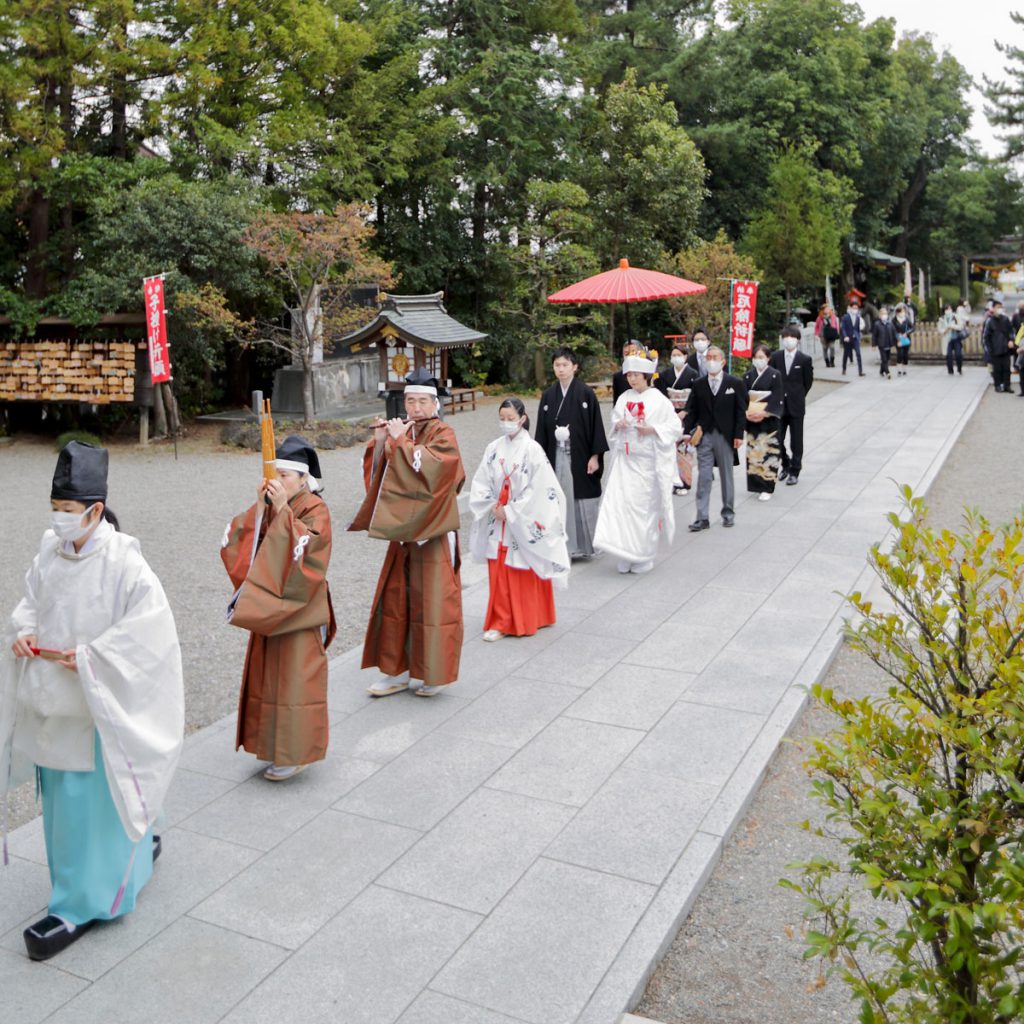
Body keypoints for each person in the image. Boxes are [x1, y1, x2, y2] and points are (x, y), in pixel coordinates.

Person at [1, 441, 183, 961]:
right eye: (55, 510)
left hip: (96, 706)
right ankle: (130, 853)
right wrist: (23, 631)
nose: (59, 520)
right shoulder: (49, 551)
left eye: (68, 511)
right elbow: (29, 602)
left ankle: (81, 904)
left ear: (95, 510)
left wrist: (92, 657)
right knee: (63, 808)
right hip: (53, 700)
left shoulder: (125, 562)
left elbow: (151, 634)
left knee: (90, 809)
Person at [221, 435, 335, 781]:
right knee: (268, 674)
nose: (278, 481)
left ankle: (296, 751)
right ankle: (269, 744)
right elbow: (242, 539)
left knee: (295, 679)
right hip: (273, 600)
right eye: (275, 474)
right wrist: (260, 509)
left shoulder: (316, 508)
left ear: (304, 479)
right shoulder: (273, 504)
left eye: (286, 475)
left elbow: (311, 550)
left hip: (301, 603)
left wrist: (283, 510)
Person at [350, 368, 466, 696]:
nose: (414, 407)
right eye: (409, 401)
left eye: (421, 401)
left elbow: (439, 472)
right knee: (396, 601)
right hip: (403, 532)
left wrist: (400, 441)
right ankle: (395, 671)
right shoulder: (404, 432)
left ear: (435, 404)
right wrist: (381, 441)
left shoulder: (444, 433)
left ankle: (433, 672)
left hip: (433, 531)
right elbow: (384, 478)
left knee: (432, 603)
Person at [469, 398, 570, 642]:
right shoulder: (493, 447)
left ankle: (534, 616)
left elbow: (541, 487)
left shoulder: (532, 449)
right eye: (502, 419)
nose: (506, 423)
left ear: (522, 419)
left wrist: (513, 510)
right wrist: (492, 504)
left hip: (521, 516)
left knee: (525, 566)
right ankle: (501, 621)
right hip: (498, 513)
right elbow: (481, 480)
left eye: (510, 419)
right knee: (501, 568)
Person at [594, 346, 682, 571]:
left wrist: (652, 429)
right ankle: (624, 552)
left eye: (636, 375)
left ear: (646, 376)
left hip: (647, 463)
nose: (632, 379)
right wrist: (618, 424)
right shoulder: (624, 397)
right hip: (626, 461)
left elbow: (674, 426)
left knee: (642, 509)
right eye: (629, 375)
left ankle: (643, 555)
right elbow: (615, 419)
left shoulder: (659, 400)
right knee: (621, 506)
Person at [535, 347, 609, 560]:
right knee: (558, 498)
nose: (561, 369)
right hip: (556, 455)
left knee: (582, 499)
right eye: (557, 365)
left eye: (565, 365)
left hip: (581, 455)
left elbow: (596, 428)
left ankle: (586, 546)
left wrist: (595, 456)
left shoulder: (586, 394)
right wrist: (539, 460)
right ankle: (562, 547)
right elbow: (541, 430)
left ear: (575, 367)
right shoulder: (549, 396)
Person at [682, 345, 748, 531]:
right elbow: (691, 410)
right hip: (705, 435)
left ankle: (728, 512)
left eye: (714, 357)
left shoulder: (735, 383)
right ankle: (702, 517)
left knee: (726, 475)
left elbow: (741, 410)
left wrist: (738, 434)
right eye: (708, 357)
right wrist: (688, 432)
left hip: (725, 435)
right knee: (703, 476)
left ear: (723, 361)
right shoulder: (699, 384)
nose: (710, 360)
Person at [769, 326, 813, 487]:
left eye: (792, 337)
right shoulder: (775, 357)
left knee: (796, 440)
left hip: (796, 405)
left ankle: (795, 470)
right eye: (786, 337)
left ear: (798, 340)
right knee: (777, 439)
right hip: (779, 406)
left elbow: (807, 382)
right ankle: (785, 464)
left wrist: (798, 396)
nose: (788, 339)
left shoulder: (804, 359)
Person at [656, 343, 700, 494]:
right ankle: (671, 481)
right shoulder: (665, 375)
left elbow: (695, 395)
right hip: (669, 414)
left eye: (679, 355)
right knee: (669, 448)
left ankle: (684, 483)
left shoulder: (693, 374)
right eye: (673, 355)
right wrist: (670, 411)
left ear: (685, 357)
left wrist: (685, 411)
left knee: (684, 448)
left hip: (687, 415)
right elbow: (661, 395)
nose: (676, 358)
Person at [743, 344, 784, 501]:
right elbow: (743, 397)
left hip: (768, 420)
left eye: (762, 357)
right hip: (752, 417)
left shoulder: (775, 375)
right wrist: (746, 412)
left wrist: (764, 413)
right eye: (756, 358)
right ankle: (756, 485)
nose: (758, 360)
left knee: (768, 451)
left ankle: (767, 486)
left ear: (768, 358)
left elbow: (777, 397)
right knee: (753, 452)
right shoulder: (748, 376)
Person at [983, 300, 1014, 393]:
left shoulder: (1006, 319)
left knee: (1007, 368)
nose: (999, 309)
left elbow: (1011, 331)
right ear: (993, 308)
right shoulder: (990, 321)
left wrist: (1011, 340)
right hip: (995, 349)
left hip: (1006, 348)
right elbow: (986, 336)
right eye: (997, 307)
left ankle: (1007, 385)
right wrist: (989, 349)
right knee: (997, 369)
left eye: (1000, 307)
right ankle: (997, 385)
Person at [839, 300, 864, 376]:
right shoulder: (845, 317)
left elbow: (857, 328)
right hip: (848, 338)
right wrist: (845, 336)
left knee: (858, 354)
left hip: (855, 338)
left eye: (856, 308)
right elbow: (843, 328)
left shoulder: (858, 317)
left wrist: (859, 336)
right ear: (850, 308)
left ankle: (860, 371)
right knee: (846, 354)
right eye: (854, 308)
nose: (855, 309)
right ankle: (844, 369)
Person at [872, 305, 897, 379]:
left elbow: (894, 332)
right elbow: (874, 335)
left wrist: (897, 341)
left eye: (885, 313)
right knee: (884, 359)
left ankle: (881, 371)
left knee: (887, 358)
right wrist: (873, 345)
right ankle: (888, 373)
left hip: (888, 344)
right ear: (880, 315)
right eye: (883, 314)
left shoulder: (890, 323)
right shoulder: (877, 324)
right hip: (881, 344)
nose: (884, 315)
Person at [940, 303, 961, 375]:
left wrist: (953, 326)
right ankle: (950, 370)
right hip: (947, 340)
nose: (948, 311)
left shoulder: (955, 317)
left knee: (958, 354)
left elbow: (960, 326)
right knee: (949, 356)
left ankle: (959, 368)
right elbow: (940, 330)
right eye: (946, 309)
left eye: (949, 309)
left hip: (956, 338)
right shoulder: (942, 319)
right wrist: (946, 329)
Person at [893, 303, 914, 376]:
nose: (902, 313)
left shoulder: (907, 319)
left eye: (903, 311)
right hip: (898, 339)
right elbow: (893, 330)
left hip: (906, 339)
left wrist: (907, 333)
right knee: (900, 354)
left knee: (905, 355)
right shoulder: (894, 320)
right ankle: (899, 370)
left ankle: (904, 369)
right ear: (897, 312)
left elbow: (912, 328)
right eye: (901, 311)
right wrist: (898, 339)